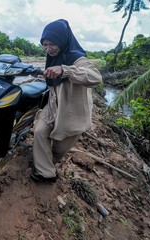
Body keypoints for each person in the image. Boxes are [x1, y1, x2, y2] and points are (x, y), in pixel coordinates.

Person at [30, 19, 102, 183]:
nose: (48, 49)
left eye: (52, 44)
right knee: (40, 131)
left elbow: (96, 77)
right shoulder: (52, 57)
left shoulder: (76, 58)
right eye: (44, 45)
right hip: (54, 104)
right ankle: (46, 173)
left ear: (61, 40)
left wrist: (65, 69)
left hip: (71, 111)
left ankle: (49, 162)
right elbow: (53, 80)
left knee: (59, 148)